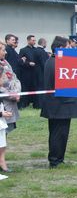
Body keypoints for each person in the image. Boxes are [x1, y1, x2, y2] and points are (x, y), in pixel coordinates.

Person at [40, 36, 77, 168]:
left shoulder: (51, 61)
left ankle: (57, 158)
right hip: (59, 105)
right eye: (68, 47)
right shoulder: (57, 62)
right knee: (59, 134)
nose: (70, 49)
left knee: (58, 133)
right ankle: (55, 160)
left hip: (57, 105)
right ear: (61, 48)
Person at [0, 41, 21, 173]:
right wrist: (10, 94)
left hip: (10, 103)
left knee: (3, 134)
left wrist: (17, 91)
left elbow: (15, 79)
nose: (5, 52)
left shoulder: (6, 63)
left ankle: (1, 159)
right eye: (3, 49)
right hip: (3, 103)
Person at [18, 35, 39, 109]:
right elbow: (20, 61)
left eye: (35, 40)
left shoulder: (36, 50)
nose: (34, 42)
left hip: (35, 72)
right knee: (25, 87)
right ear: (28, 40)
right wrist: (28, 63)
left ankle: (34, 103)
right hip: (26, 72)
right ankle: (24, 103)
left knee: (34, 87)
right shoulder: (23, 50)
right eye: (33, 40)